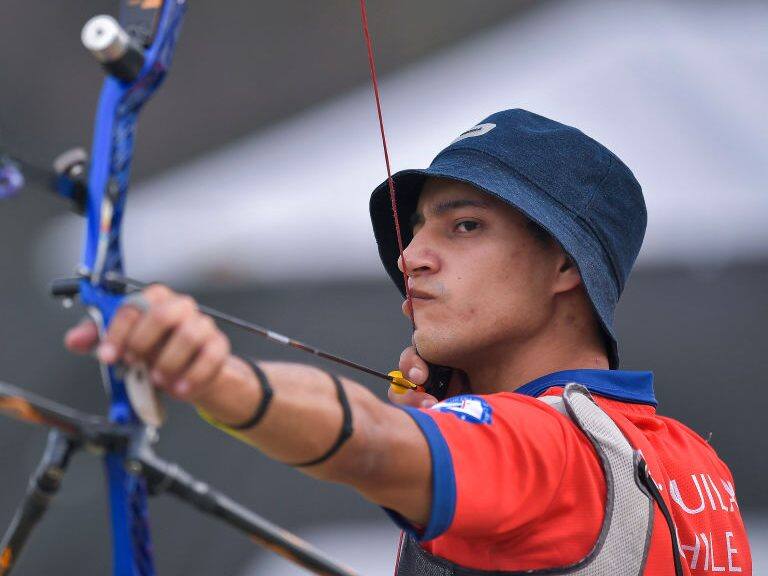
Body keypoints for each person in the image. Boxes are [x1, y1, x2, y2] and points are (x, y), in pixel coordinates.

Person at [64, 109, 752, 574]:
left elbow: (369, 441)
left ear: (566, 266)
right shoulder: (693, 463)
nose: (412, 255)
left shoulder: (541, 449)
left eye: (465, 227)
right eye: (418, 229)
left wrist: (214, 379)